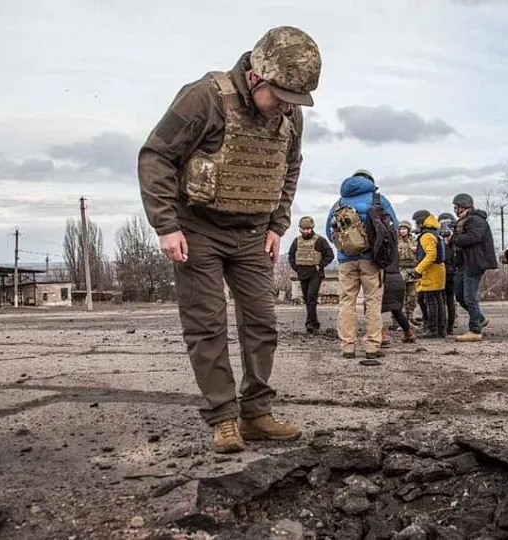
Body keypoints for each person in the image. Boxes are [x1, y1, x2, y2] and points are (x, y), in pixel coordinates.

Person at [137, 26, 322, 454]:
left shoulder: (290, 113)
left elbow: (289, 166)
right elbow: (156, 156)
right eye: (279, 98)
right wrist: (166, 225)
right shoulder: (204, 97)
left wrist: (278, 224)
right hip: (197, 230)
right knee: (207, 326)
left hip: (253, 234)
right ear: (256, 77)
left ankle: (256, 413)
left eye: (293, 102)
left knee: (262, 323)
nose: (285, 110)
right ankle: (223, 417)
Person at [325, 169, 399, 360]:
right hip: (371, 260)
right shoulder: (378, 199)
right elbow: (394, 228)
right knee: (373, 301)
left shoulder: (340, 202)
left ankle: (347, 346)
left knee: (347, 302)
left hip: (345, 261)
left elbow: (329, 231)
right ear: (370, 181)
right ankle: (372, 346)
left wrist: (344, 249)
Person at [449, 193, 499, 342]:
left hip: (474, 263)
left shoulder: (477, 220)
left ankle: (475, 330)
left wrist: (454, 238)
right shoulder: (462, 222)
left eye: (456, 207)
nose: (455, 210)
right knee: (459, 295)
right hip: (463, 263)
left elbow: (473, 238)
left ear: (463, 206)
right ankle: (480, 318)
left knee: (470, 297)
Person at [287, 215, 334, 334]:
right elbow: (291, 255)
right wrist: (296, 268)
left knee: (311, 297)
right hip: (302, 273)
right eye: (304, 229)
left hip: (315, 273)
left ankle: (310, 324)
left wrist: (320, 265)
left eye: (308, 229)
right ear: (300, 229)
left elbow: (330, 255)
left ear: (312, 228)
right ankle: (314, 322)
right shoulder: (296, 241)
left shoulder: (320, 240)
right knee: (307, 299)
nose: (306, 231)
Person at [411, 210, 447, 338]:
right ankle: (441, 329)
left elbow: (431, 255)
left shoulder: (426, 236)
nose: (415, 226)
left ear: (421, 222)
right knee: (438, 301)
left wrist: (418, 270)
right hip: (438, 270)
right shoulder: (435, 233)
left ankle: (432, 329)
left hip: (431, 272)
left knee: (430, 301)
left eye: (416, 223)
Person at [379, 246, 417, 351]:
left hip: (383, 279)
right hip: (397, 278)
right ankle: (408, 333)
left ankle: (382, 336)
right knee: (397, 310)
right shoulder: (395, 246)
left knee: (374, 309)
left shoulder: (378, 245)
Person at [437, 212, 458, 335]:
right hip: (453, 271)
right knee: (450, 299)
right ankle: (450, 325)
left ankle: (444, 326)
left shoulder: (439, 238)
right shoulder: (456, 237)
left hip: (443, 270)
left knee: (443, 299)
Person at [396, 221, 420, 325]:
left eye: (405, 229)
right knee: (400, 296)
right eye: (401, 229)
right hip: (400, 269)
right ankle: (399, 320)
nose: (403, 231)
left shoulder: (414, 241)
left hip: (412, 270)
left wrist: (417, 250)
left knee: (412, 296)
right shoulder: (396, 241)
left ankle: (410, 316)